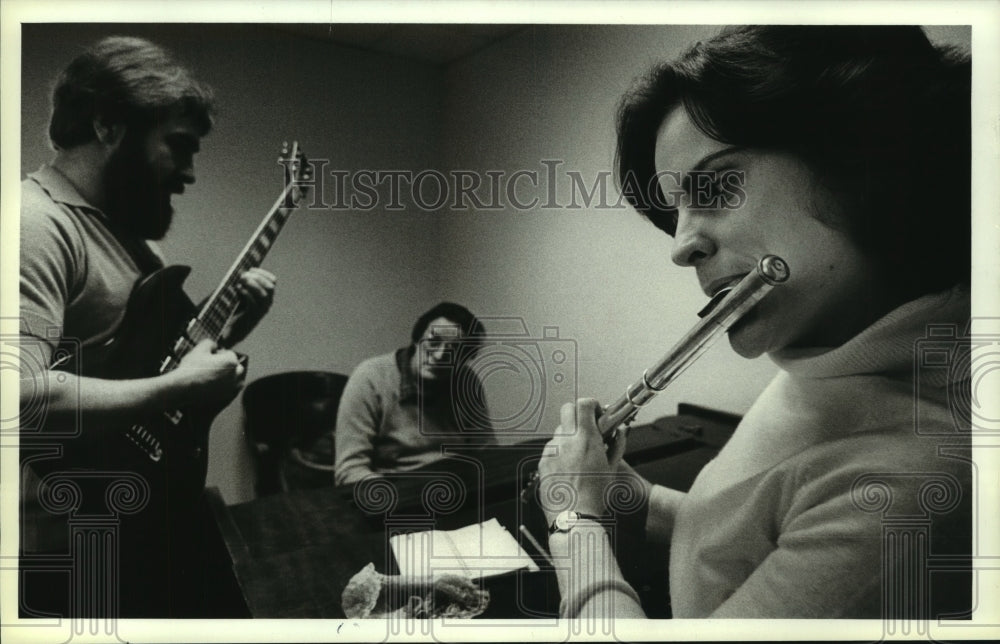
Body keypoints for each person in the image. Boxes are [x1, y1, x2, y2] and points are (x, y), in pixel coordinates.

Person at [537, 25, 971, 619]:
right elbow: (733, 543)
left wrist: (575, 524)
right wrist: (623, 497)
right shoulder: (824, 359)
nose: (681, 246)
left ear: (865, 162)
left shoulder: (913, 486)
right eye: (675, 210)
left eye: (716, 185)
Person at [19, 36, 276, 617]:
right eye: (179, 147)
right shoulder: (34, 223)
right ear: (108, 125)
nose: (188, 173)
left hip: (137, 522)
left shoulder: (132, 240)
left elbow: (147, 369)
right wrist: (183, 387)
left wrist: (229, 329)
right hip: (64, 549)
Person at [335, 302, 496, 485]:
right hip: (395, 493)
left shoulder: (467, 382)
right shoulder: (370, 377)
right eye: (434, 342)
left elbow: (487, 455)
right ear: (417, 338)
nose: (439, 356)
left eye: (455, 350)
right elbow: (349, 471)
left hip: (459, 491)